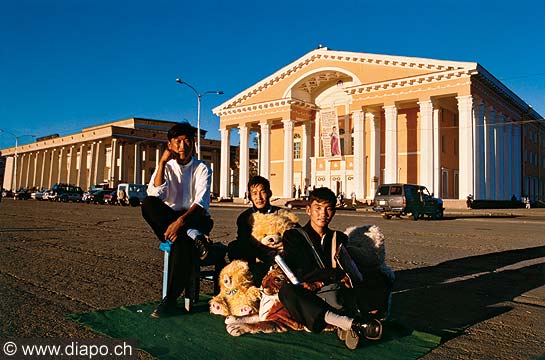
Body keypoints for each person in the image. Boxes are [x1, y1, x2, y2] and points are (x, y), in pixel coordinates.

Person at [278, 187, 386, 349]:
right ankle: (349, 322)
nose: (323, 214)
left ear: (334, 211)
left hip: (337, 290)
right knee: (286, 291)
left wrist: (341, 275)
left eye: (328, 209)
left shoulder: (339, 238)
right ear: (308, 210)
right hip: (311, 293)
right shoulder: (293, 236)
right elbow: (301, 270)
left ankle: (348, 322)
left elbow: (346, 267)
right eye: (318, 208)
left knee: (380, 276)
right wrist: (333, 274)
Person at [141, 122, 213, 318]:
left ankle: (170, 300)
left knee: (180, 240)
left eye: (187, 141)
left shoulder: (202, 168)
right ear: (170, 145)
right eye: (178, 142)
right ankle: (193, 236)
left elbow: (202, 202)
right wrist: (162, 163)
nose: (183, 146)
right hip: (170, 223)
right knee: (148, 203)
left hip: (195, 219)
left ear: (193, 144)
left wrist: (181, 223)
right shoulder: (167, 167)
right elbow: (155, 194)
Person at [228, 176, 282, 268]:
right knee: (234, 246)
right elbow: (243, 241)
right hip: (255, 256)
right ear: (250, 196)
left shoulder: (282, 214)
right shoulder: (244, 218)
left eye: (262, 192)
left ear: (269, 193)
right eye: (255, 193)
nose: (259, 197)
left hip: (279, 255)